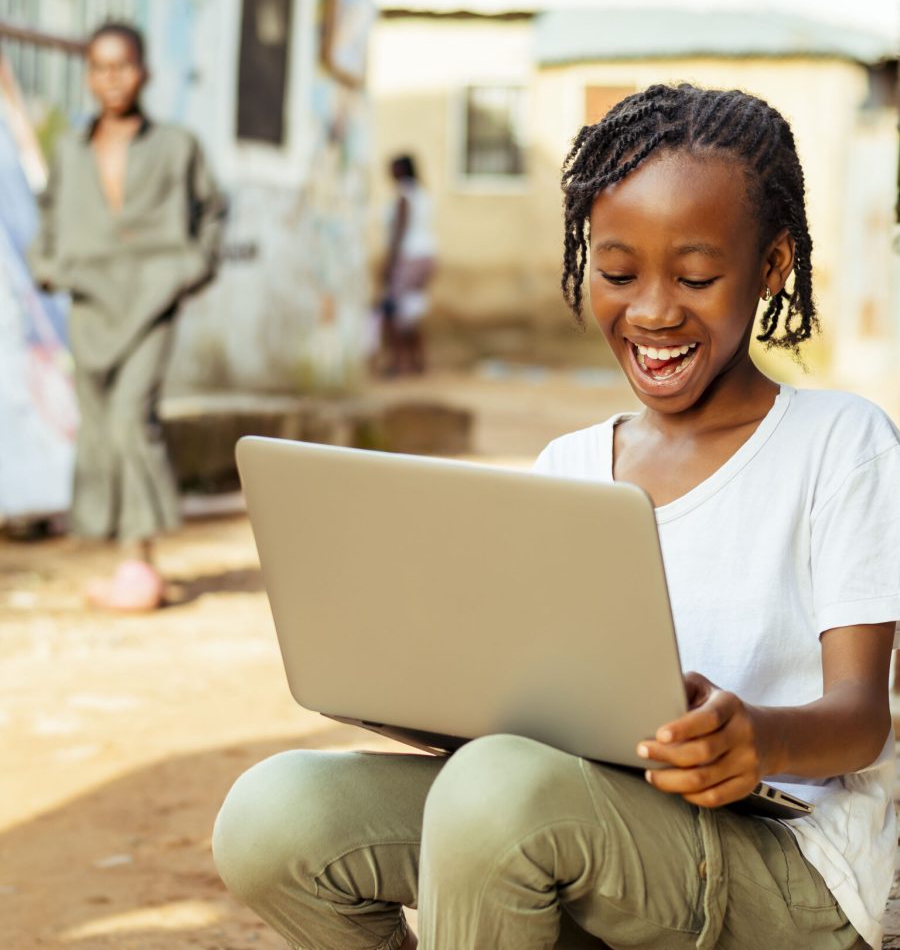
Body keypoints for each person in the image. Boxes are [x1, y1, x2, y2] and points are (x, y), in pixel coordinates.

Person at [211, 85, 898, 949]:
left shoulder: (840, 444)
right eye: (617, 274)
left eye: (695, 276)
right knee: (275, 819)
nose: (652, 310)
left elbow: (863, 715)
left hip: (792, 866)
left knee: (501, 791)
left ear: (772, 266)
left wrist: (760, 738)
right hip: (578, 820)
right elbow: (521, 716)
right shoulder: (568, 468)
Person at [29, 21, 226, 611]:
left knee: (129, 418)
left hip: (151, 301)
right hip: (89, 301)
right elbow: (50, 221)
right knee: (97, 425)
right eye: (100, 67)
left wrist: (189, 269)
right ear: (88, 75)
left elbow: (211, 216)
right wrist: (48, 266)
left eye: (124, 65)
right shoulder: (69, 149)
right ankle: (123, 558)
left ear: (144, 72)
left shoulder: (176, 146)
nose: (112, 78)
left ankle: (142, 560)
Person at [376, 154, 436, 375]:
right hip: (427, 256)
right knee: (411, 310)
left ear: (401, 170)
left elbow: (399, 232)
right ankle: (420, 362)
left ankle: (398, 364)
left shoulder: (403, 196)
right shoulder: (422, 194)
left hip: (408, 257)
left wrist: (389, 264)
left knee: (393, 311)